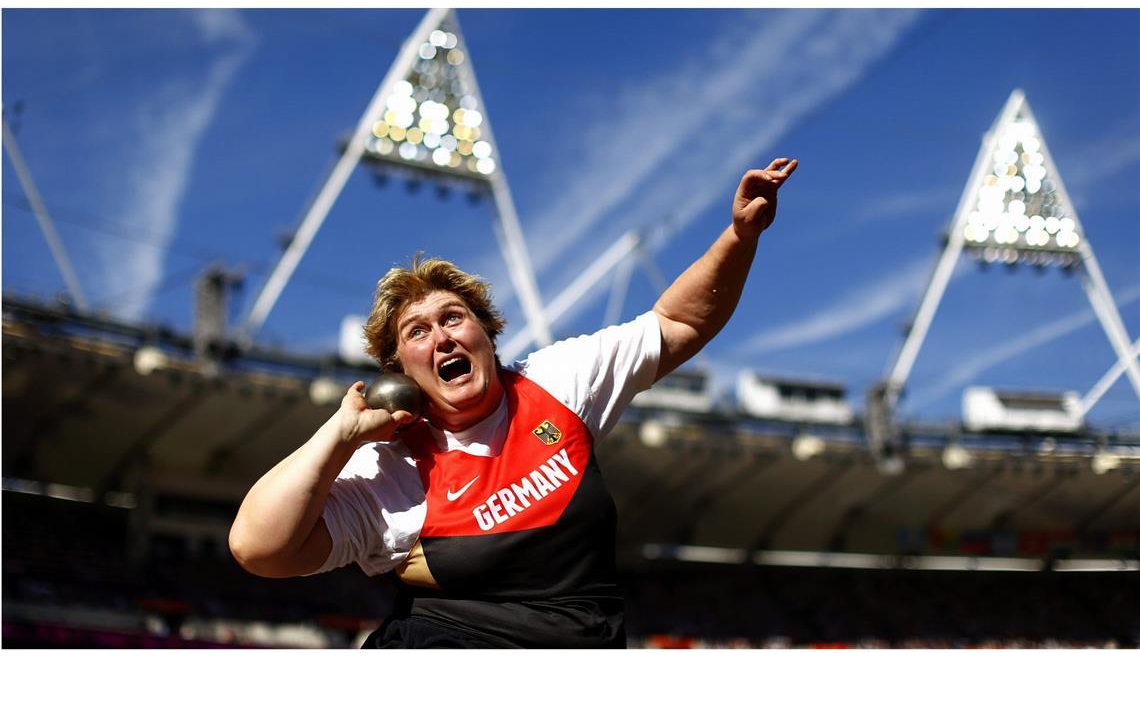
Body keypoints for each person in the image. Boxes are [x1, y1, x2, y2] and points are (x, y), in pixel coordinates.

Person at [229, 157, 799, 647]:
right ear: (401, 371)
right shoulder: (391, 467)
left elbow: (676, 323)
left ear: (488, 332)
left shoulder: (556, 379)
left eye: (454, 318)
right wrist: (338, 436)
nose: (442, 336)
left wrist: (739, 236)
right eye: (417, 332)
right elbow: (259, 548)